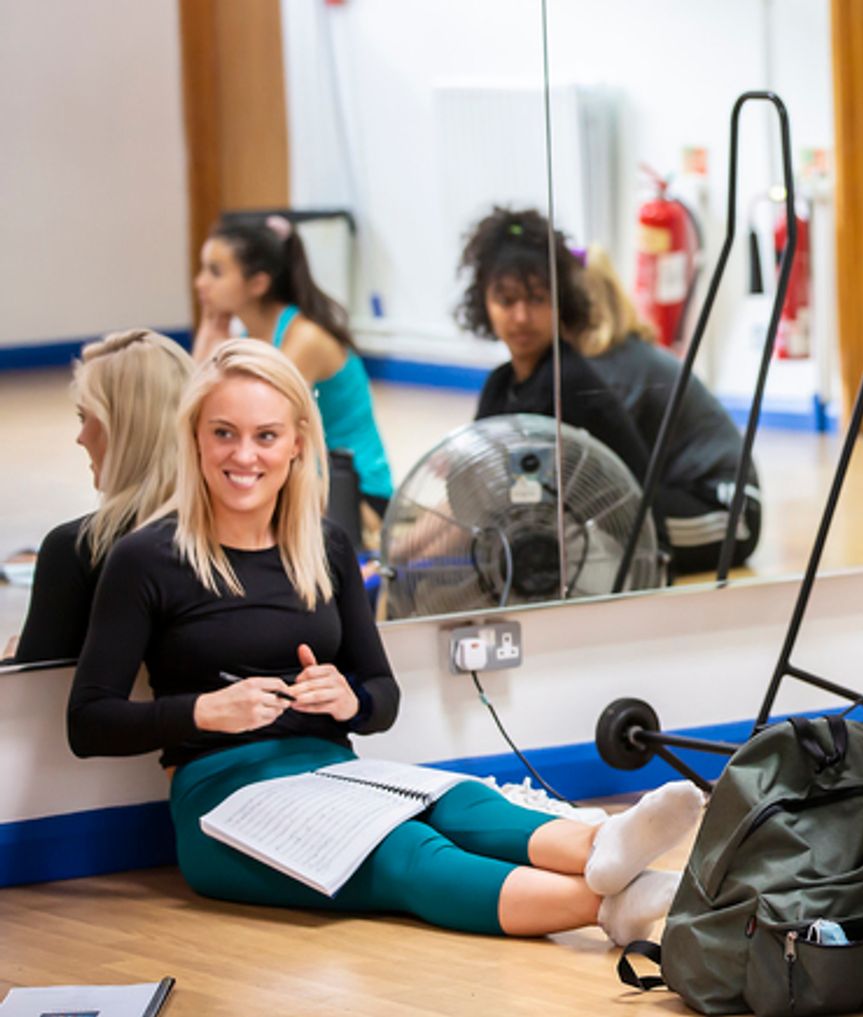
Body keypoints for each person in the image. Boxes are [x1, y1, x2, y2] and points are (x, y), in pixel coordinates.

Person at [66, 339, 702, 941]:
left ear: (297, 444)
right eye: (223, 433)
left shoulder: (325, 547)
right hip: (221, 799)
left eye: (266, 436)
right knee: (406, 850)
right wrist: (204, 711)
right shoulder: (146, 559)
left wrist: (350, 701)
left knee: (462, 802)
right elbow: (89, 722)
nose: (244, 456)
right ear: (194, 439)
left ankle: (602, 846)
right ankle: (607, 907)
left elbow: (382, 697)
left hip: (332, 772)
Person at [193, 215, 393, 531]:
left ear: (258, 284)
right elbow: (194, 411)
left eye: (215, 272)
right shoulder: (249, 335)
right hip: (308, 478)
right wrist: (210, 330)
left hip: (358, 496)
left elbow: (249, 417)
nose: (201, 283)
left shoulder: (305, 339)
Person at [6, 330, 192, 664]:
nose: (80, 438)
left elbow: (39, 685)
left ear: (123, 430)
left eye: (85, 418)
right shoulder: (242, 531)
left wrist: (10, 666)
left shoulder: (77, 549)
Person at [578, 245, 762, 574]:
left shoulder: (617, 370)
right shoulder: (618, 358)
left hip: (729, 513)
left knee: (605, 521)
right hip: (687, 495)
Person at [457, 208, 653, 487]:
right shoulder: (498, 385)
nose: (521, 317)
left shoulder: (567, 382)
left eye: (537, 299)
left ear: (560, 301)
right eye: (507, 301)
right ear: (484, 305)